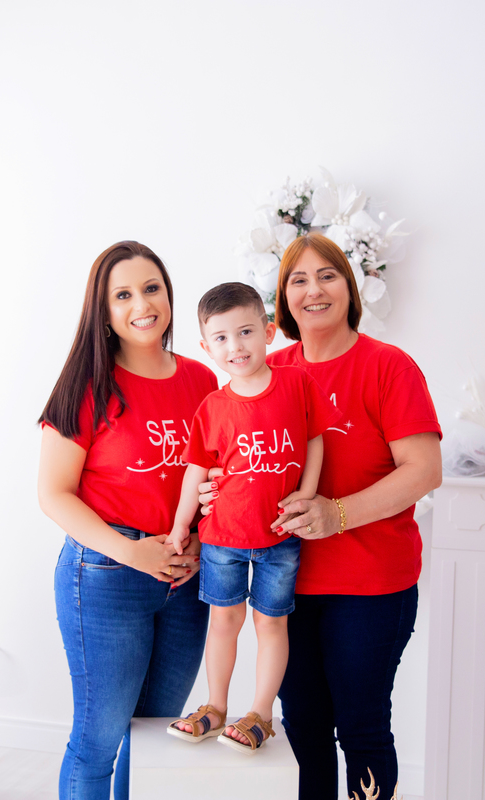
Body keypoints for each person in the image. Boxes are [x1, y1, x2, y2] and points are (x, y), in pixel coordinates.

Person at [200, 234, 442, 799]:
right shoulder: (266, 368)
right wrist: (213, 491)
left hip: (370, 586)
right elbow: (228, 452)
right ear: (282, 300)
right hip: (286, 588)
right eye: (299, 279)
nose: (314, 290)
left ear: (349, 288)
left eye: (327, 275)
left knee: (361, 726)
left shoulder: (388, 366)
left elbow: (424, 470)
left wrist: (338, 514)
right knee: (303, 730)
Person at [38, 241, 214, 800]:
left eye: (151, 288)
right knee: (99, 741)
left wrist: (200, 541)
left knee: (155, 740)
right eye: (123, 294)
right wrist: (131, 552)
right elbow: (54, 494)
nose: (142, 304)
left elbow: (218, 482)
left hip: (186, 582)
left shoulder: (203, 382)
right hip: (106, 577)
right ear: (105, 310)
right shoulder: (86, 385)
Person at [164, 282, 340, 753]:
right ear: (206, 348)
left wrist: (306, 494)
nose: (235, 346)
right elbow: (196, 469)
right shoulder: (212, 407)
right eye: (221, 338)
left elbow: (315, 439)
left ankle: (260, 714)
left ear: (268, 332)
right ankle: (215, 707)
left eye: (245, 332)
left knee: (271, 624)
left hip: (279, 537)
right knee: (224, 620)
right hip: (222, 537)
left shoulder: (297, 384)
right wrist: (181, 524)